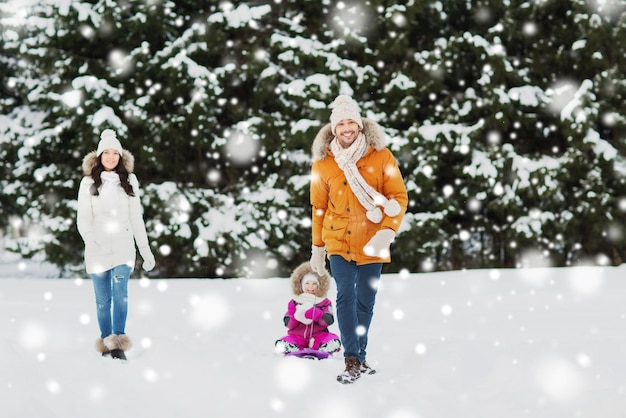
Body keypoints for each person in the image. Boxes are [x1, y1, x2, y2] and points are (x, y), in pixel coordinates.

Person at [309, 95, 408, 383]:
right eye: (341, 123)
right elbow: (319, 208)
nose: (347, 127)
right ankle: (351, 357)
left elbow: (398, 197)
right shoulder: (324, 163)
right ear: (334, 128)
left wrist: (387, 231)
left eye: (351, 121)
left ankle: (361, 357)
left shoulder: (381, 155)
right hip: (338, 241)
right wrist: (317, 248)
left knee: (366, 301)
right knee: (346, 295)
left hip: (373, 240)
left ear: (360, 124)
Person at [77, 129, 155, 360]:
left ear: (120, 157)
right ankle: (105, 340)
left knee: (120, 294)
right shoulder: (88, 182)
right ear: (99, 156)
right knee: (103, 301)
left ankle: (118, 343)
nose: (110, 157)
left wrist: (145, 250)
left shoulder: (129, 181)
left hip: (123, 246)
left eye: (115, 153)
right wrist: (90, 239)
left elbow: (136, 218)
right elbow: (83, 217)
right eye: (106, 153)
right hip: (97, 248)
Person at [275, 261, 341, 355]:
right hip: (298, 335)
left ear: (319, 286)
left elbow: (328, 320)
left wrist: (317, 314)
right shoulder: (294, 301)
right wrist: (295, 317)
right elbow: (288, 324)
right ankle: (289, 346)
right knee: (289, 340)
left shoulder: (324, 302)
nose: (311, 286)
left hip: (318, 335)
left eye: (314, 283)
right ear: (301, 285)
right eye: (307, 283)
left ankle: (326, 346)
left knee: (330, 338)